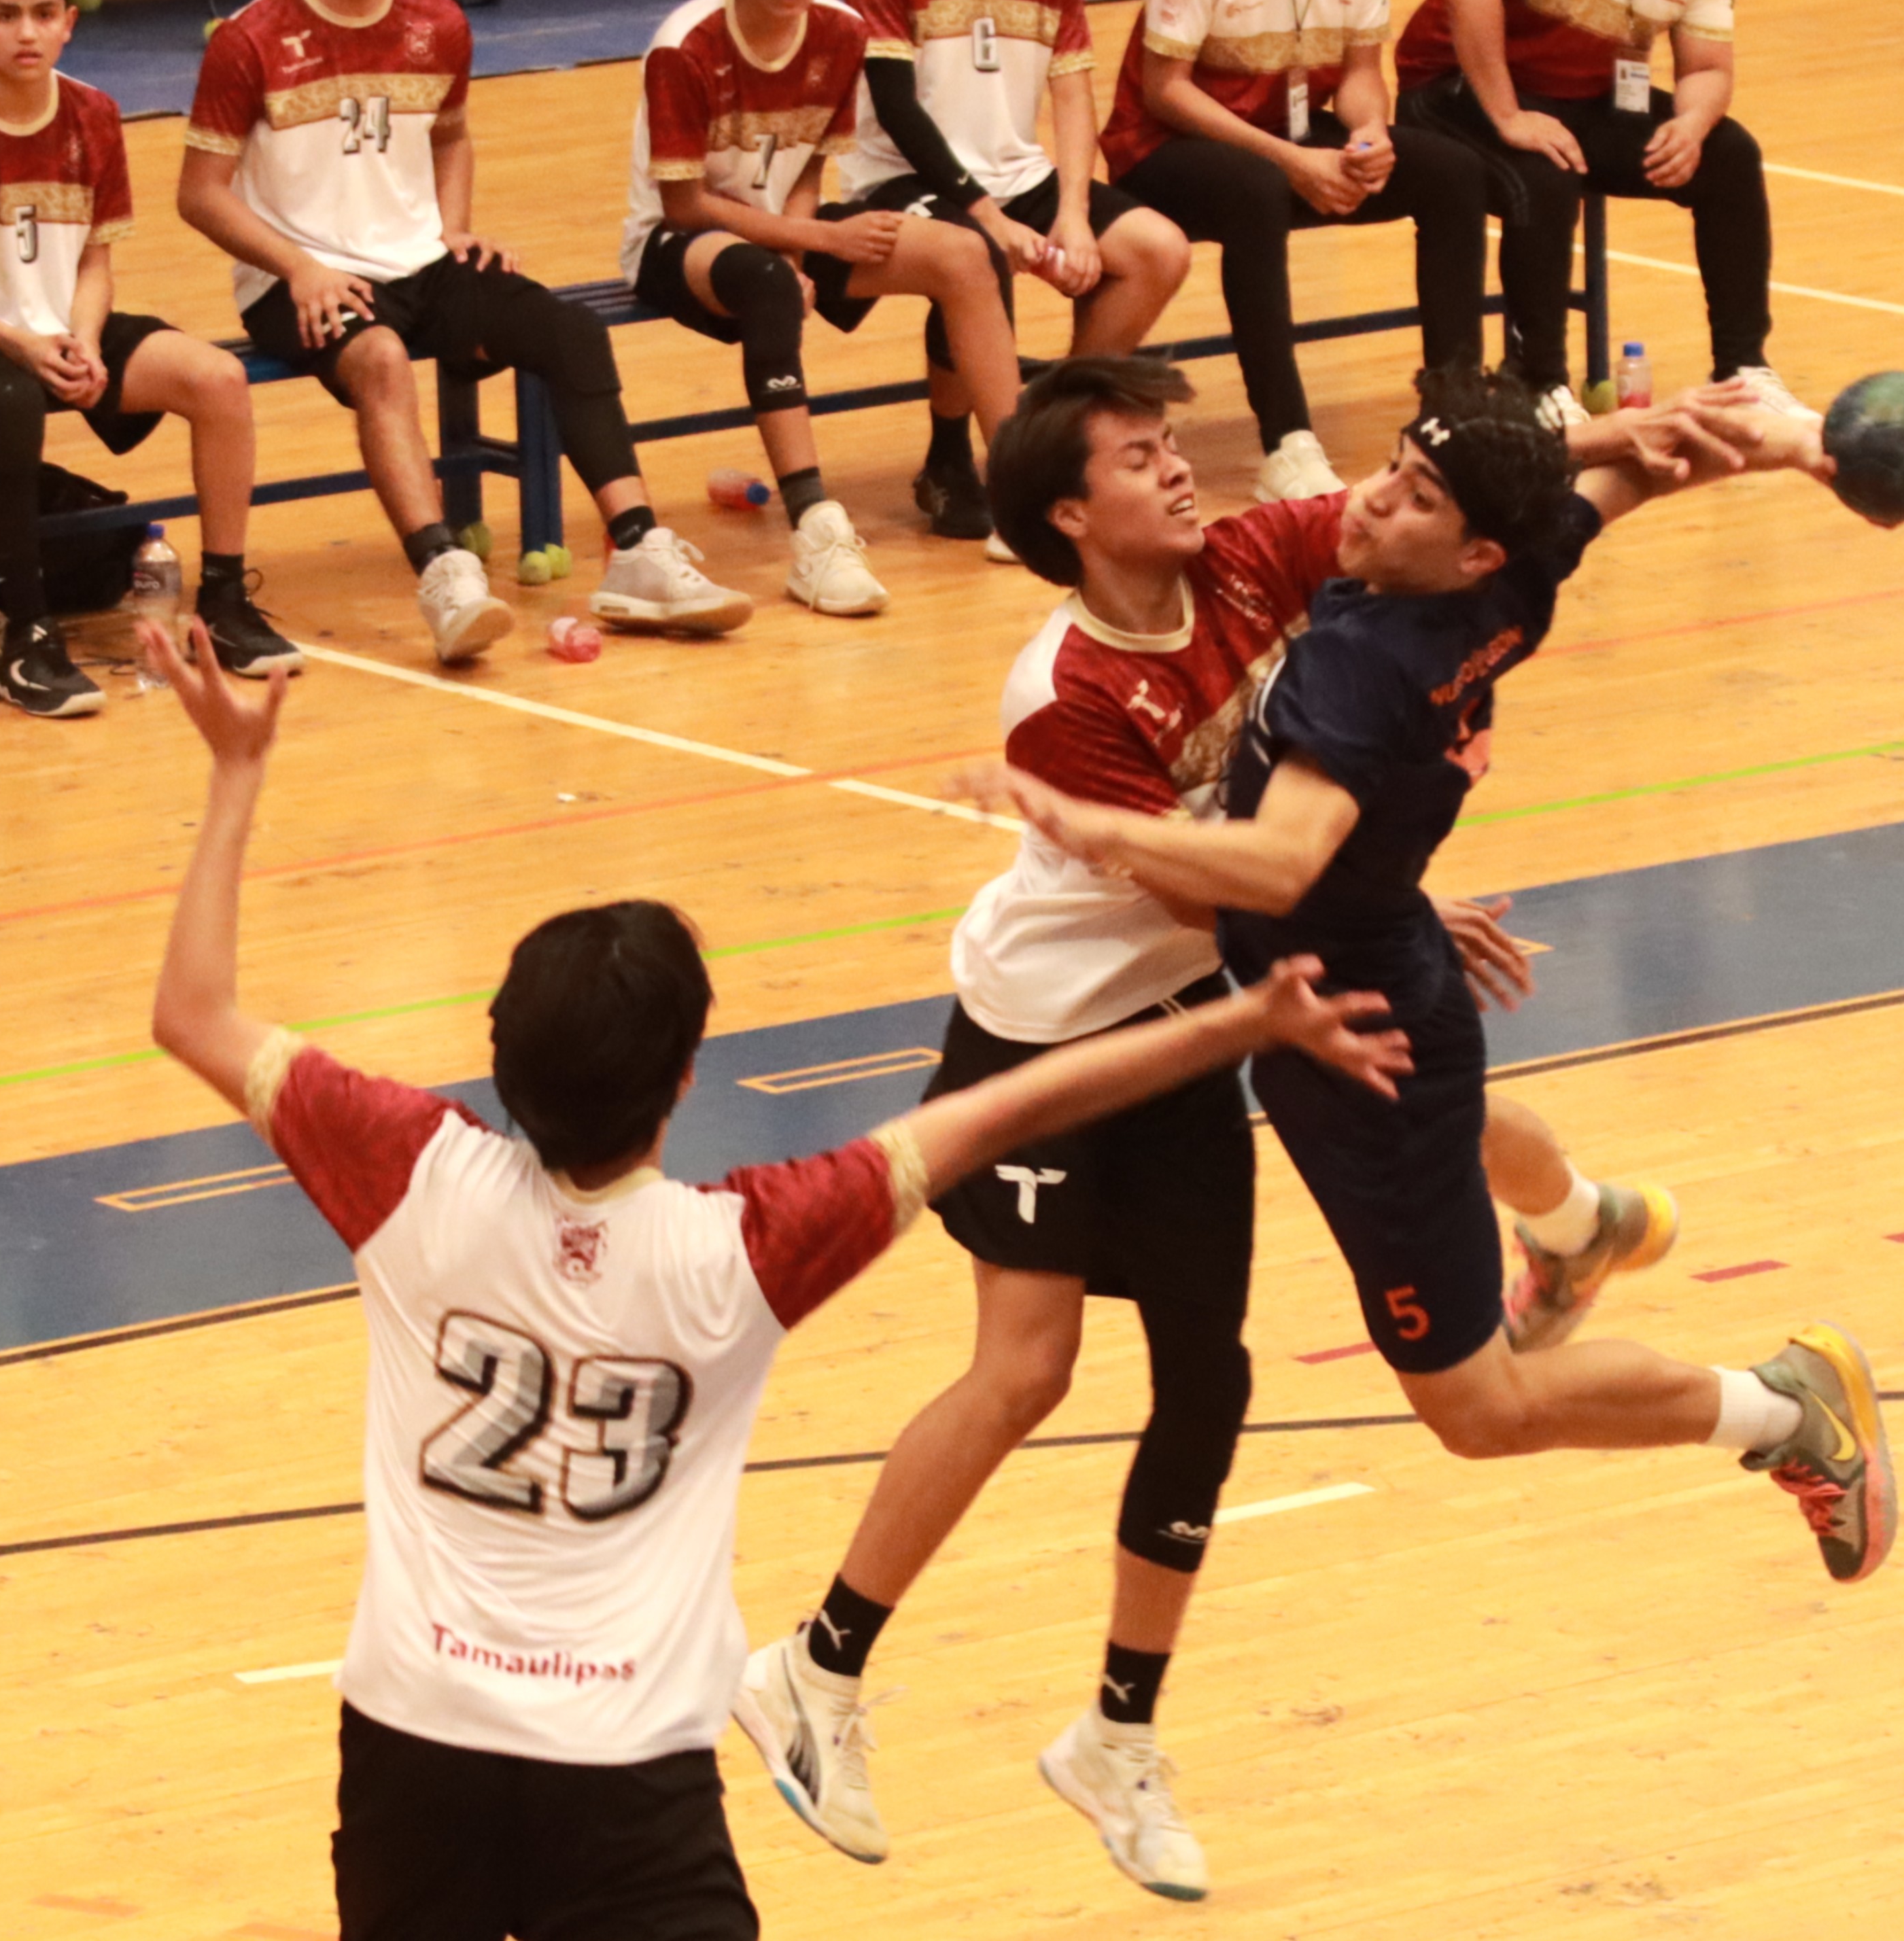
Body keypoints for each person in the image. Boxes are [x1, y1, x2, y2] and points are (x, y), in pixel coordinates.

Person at [141, 610, 1400, 1941]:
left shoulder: (409, 1175)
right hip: (626, 1775)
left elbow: (192, 1013)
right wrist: (1243, 1019)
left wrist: (234, 774)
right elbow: (1012, 1104)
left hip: (410, 1742)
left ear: (498, 1052)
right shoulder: (736, 1249)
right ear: (688, 1079)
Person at [731, 357, 1752, 1900]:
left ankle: (1117, 1740)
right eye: (1141, 458)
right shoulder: (1062, 692)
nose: (1177, 470)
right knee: (1025, 1367)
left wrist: (1647, 435)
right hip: (1046, 1039)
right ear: (1074, 514)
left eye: (1168, 443)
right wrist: (1374, 886)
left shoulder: (1258, 553)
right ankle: (814, 1668)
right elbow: (1225, 876)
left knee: (1207, 1383)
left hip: (1200, 1029)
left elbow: (1443, 499)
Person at [978, 364, 1897, 1605]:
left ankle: (1782, 1414)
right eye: (1394, 471)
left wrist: (1078, 823)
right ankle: (1582, 1227)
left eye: (1413, 499)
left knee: (1478, 1407)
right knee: (1455, 1128)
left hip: (1351, 1030)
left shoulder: (1356, 665)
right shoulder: (1513, 570)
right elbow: (1620, 479)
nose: (1366, 505)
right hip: (1382, 960)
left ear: (1466, 553)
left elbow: (1271, 862)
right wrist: (1790, 441)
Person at [180, 0, 750, 664]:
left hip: (421, 261)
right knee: (377, 359)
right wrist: (299, 265)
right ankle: (445, 575)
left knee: (571, 332)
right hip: (296, 278)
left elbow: (450, 137)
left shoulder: (439, 23)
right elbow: (198, 196)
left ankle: (636, 552)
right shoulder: (249, 40)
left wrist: (452, 224)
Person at [0, 0, 296, 716]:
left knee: (217, 377)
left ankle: (226, 599)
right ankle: (29, 640)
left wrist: (83, 337)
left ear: (70, 20)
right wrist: (22, 343)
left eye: (43, 13)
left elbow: (96, 263)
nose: (26, 33)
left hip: (56, 322)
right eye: (6, 15)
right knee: (8, 404)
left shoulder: (96, 116)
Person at [624, 0, 1022, 616]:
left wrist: (801, 251)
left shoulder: (842, 32)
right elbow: (684, 203)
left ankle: (1019, 483)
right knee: (769, 286)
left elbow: (809, 160)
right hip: (679, 243)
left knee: (968, 253)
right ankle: (815, 530)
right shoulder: (684, 44)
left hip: (786, 232)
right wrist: (802, 247)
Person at [1098, 0, 1493, 503]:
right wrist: (1291, 161)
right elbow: (1165, 91)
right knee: (1255, 191)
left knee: (1451, 171)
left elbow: (1358, 74)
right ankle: (1287, 441)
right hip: (1166, 150)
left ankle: (1451, 413)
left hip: (1290, 132)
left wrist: (1369, 136)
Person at [1396, 0, 1803, 423]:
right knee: (1547, 175)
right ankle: (1537, 383)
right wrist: (1506, 115)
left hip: (1585, 96)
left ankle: (1743, 372)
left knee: (1730, 157)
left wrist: (1691, 125)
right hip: (1453, 89)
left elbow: (1706, 70)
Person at [837, 0, 1190, 543]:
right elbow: (896, 108)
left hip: (1019, 173)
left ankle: (1057, 432)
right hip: (900, 175)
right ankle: (1016, 486)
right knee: (975, 259)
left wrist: (1072, 211)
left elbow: (1071, 91)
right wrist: (987, 215)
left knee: (1158, 251)